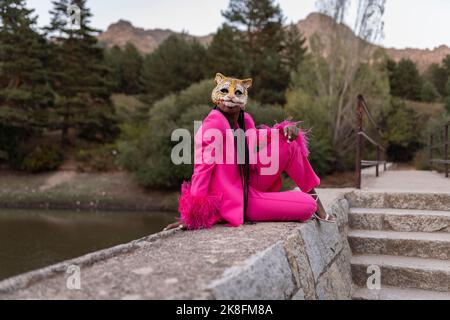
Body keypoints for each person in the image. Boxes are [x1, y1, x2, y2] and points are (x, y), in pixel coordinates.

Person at [165, 73, 335, 231]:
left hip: (248, 180)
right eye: (224, 91)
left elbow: (254, 137)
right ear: (217, 97)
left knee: (290, 144)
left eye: (237, 93)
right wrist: (192, 216)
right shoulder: (214, 122)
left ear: (244, 99)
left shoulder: (242, 120)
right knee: (307, 206)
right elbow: (202, 169)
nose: (230, 96)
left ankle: (314, 200)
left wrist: (283, 131)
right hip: (236, 198)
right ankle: (286, 201)